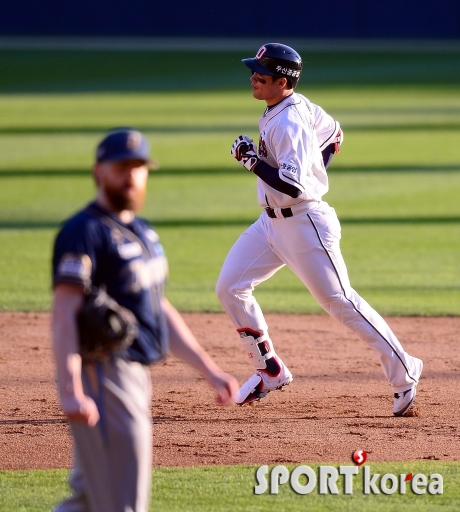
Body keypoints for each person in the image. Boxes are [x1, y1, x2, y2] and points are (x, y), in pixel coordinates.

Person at [215, 43, 423, 416]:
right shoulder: (292, 108)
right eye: (253, 71)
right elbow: (335, 135)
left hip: (305, 224)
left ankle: (405, 370)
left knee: (340, 302)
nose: (253, 78)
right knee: (230, 286)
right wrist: (315, 166)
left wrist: (251, 161)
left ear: (283, 81)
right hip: (270, 225)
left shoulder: (290, 120)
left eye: (261, 75)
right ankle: (270, 369)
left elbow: (294, 186)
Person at [52, 129, 238, 512]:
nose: (131, 176)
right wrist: (70, 388)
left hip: (136, 375)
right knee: (124, 504)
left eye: (139, 167)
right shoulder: (83, 232)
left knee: (86, 502)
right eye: (122, 167)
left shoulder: (144, 232)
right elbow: (63, 313)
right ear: (99, 172)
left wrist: (209, 370)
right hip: (105, 377)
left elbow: (157, 307)